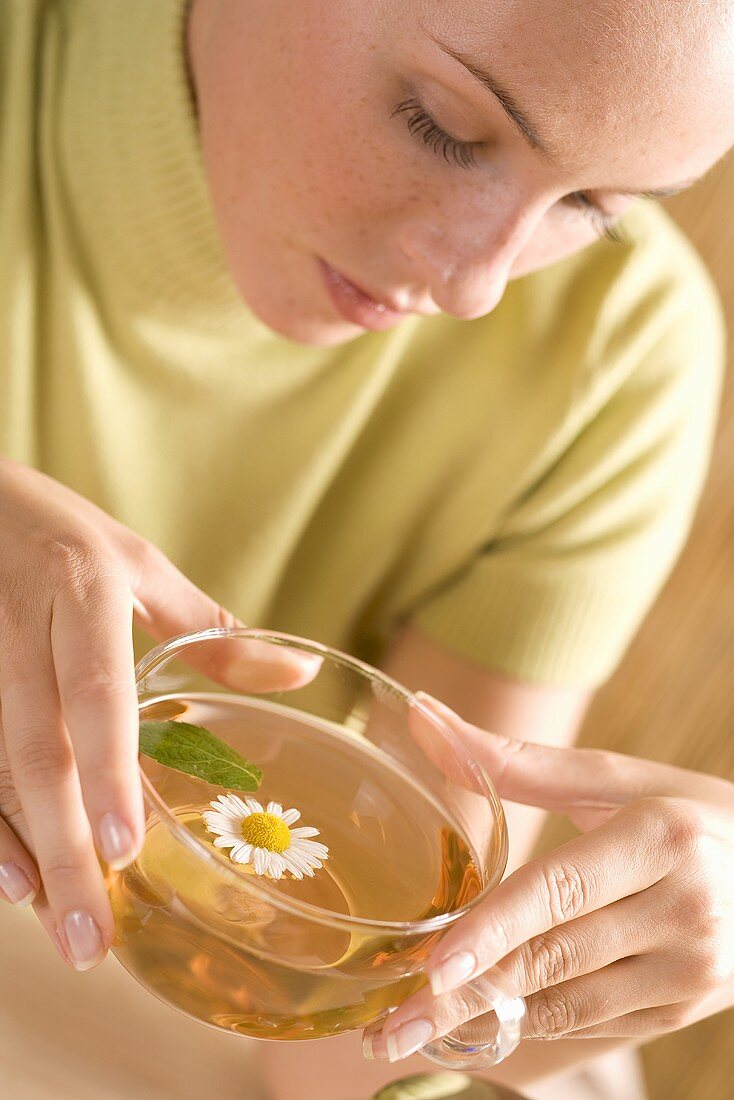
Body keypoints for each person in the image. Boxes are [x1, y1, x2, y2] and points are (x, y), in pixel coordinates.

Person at [0, 1, 732, 1098]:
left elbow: (332, 1059)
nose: (474, 283)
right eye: (440, 122)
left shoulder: (613, 354)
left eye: (594, 206)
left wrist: (552, 990)